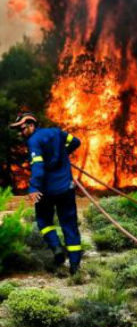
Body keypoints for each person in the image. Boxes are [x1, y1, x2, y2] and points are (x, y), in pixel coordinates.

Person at [9, 112, 83, 274]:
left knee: (43, 220)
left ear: (31, 125)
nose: (20, 133)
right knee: (69, 225)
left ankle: (56, 247)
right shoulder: (57, 132)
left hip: (47, 191)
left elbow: (38, 168)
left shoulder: (33, 141)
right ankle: (75, 266)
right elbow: (76, 142)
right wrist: (63, 154)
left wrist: (34, 188)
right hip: (66, 188)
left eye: (22, 129)